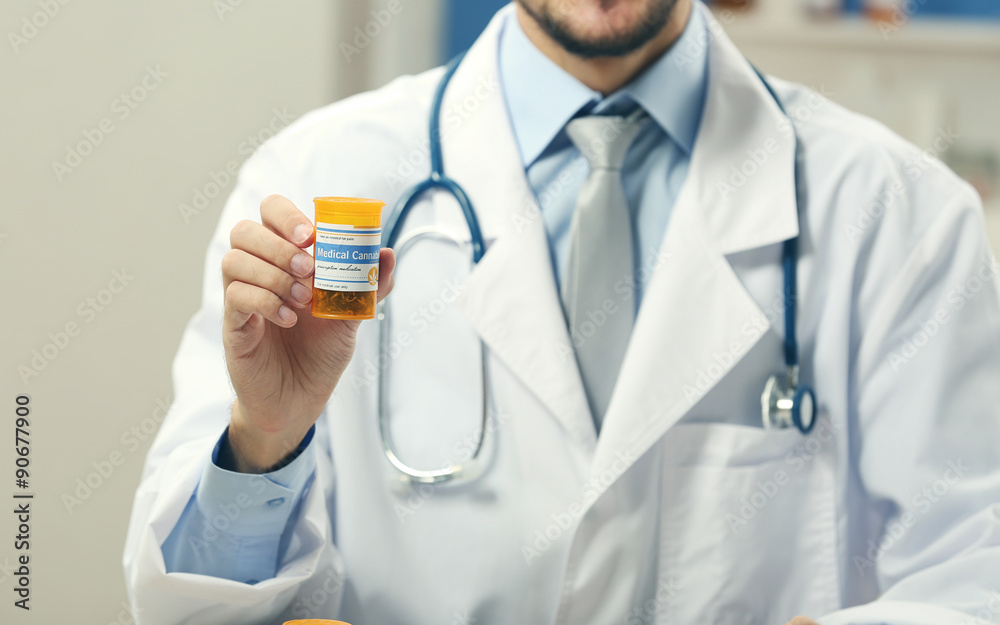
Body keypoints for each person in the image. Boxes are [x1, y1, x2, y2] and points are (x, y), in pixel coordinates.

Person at [123, 0, 1000, 623]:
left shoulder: (899, 213)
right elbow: (190, 610)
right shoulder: (319, 180)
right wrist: (265, 437)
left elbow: (975, 573)